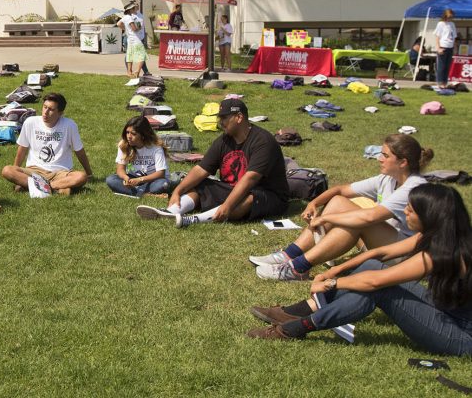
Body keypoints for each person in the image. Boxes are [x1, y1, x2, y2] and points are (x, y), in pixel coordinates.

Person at [247, 184, 472, 356]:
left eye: (410, 210)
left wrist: (331, 284)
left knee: (379, 289)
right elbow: (380, 254)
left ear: (429, 216)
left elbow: (376, 282)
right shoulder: (443, 235)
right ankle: (299, 311)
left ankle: (294, 328)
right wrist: (334, 272)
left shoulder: (442, 255)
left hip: (461, 336)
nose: (404, 212)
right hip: (446, 311)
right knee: (372, 266)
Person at [251, 134, 433, 281]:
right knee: (339, 201)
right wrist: (314, 204)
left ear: (403, 162)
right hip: (385, 243)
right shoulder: (388, 178)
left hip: (407, 257)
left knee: (359, 221)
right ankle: (290, 255)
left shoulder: (413, 187)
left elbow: (370, 218)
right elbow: (341, 190)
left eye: (385, 155)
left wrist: (325, 218)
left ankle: (298, 268)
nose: (379, 159)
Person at [136, 99, 289, 227]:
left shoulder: (263, 141)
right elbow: (201, 170)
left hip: (268, 194)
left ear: (239, 117)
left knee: (247, 198)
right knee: (201, 184)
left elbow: (249, 180)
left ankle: (193, 220)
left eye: (224, 118)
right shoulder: (224, 140)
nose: (220, 122)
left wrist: (227, 206)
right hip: (234, 188)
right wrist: (177, 191)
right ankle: (172, 212)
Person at [1, 92, 93, 195]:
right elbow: (22, 148)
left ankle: (39, 186)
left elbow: (79, 151)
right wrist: (16, 171)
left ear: (60, 113)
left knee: (81, 176)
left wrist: (89, 173)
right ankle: (59, 187)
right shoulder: (30, 122)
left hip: (60, 172)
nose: (45, 112)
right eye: (45, 107)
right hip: (34, 170)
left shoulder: (69, 125)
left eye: (51, 109)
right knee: (7, 170)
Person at [105, 116, 171, 197]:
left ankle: (136, 192)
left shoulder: (155, 147)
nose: (129, 136)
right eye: (127, 132)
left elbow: (161, 173)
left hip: (153, 180)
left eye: (133, 134)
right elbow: (120, 169)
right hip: (133, 178)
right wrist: (125, 178)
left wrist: (140, 180)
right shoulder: (123, 145)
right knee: (111, 180)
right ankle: (146, 194)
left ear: (143, 135)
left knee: (164, 184)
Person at [118, 1, 146, 78]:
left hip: (130, 39)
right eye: (133, 8)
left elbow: (118, 24)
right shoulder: (130, 18)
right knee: (142, 56)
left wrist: (126, 30)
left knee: (129, 56)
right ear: (130, 10)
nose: (135, 9)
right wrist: (138, 28)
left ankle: (129, 72)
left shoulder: (125, 17)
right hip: (135, 39)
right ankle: (137, 72)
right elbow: (134, 29)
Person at [434, 8, 457, 89]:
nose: (450, 18)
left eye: (451, 17)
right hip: (443, 46)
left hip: (450, 47)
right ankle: (440, 83)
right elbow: (437, 36)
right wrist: (438, 48)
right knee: (441, 66)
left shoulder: (452, 24)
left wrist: (454, 48)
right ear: (445, 16)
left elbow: (454, 37)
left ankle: (445, 82)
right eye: (449, 16)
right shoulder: (440, 24)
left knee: (447, 66)